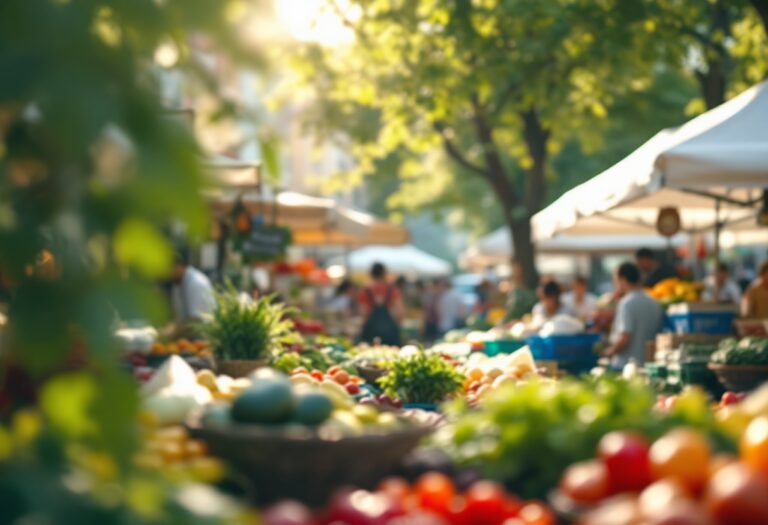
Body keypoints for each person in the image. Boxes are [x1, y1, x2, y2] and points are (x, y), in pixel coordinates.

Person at [604, 262, 663, 370]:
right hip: (648, 364)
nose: (616, 284)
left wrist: (609, 352)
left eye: (616, 280)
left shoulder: (627, 303)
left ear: (623, 279)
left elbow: (625, 337)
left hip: (626, 366)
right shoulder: (654, 302)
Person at [358, 262, 403, 346]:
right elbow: (400, 313)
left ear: (371, 274)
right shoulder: (392, 290)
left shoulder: (365, 291)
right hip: (390, 334)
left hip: (370, 333)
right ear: (384, 273)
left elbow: (363, 314)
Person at [169, 248, 216, 326]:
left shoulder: (196, 283)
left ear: (179, 266)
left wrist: (169, 334)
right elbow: (179, 319)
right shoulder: (177, 284)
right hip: (189, 335)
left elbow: (195, 322)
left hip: (205, 335)